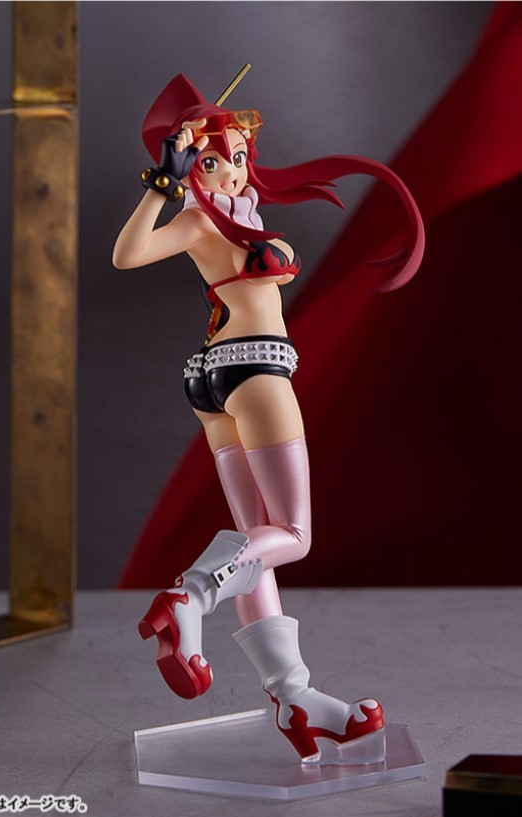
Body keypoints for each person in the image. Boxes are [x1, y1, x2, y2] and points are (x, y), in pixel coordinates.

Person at [113, 73, 424, 762]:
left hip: (213, 381)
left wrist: (175, 184)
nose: (231, 172)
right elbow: (126, 255)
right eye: (212, 162)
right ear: (191, 167)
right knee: (293, 534)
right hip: (254, 370)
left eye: (238, 157)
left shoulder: (236, 215)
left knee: (256, 544)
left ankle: (293, 696)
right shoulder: (200, 218)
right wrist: (162, 184)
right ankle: (191, 596)